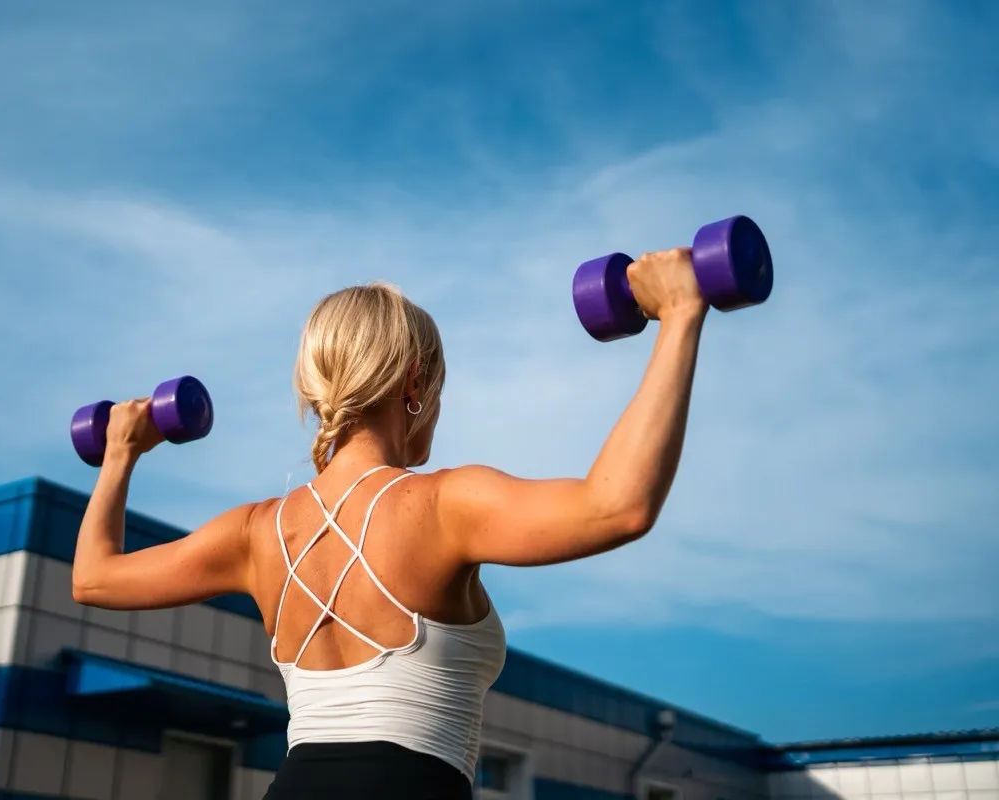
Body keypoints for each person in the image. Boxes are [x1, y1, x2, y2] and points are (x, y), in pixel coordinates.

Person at [72, 246, 709, 799]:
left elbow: (95, 579)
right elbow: (616, 506)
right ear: (413, 383)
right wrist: (679, 313)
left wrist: (121, 454)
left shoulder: (254, 534)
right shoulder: (445, 504)